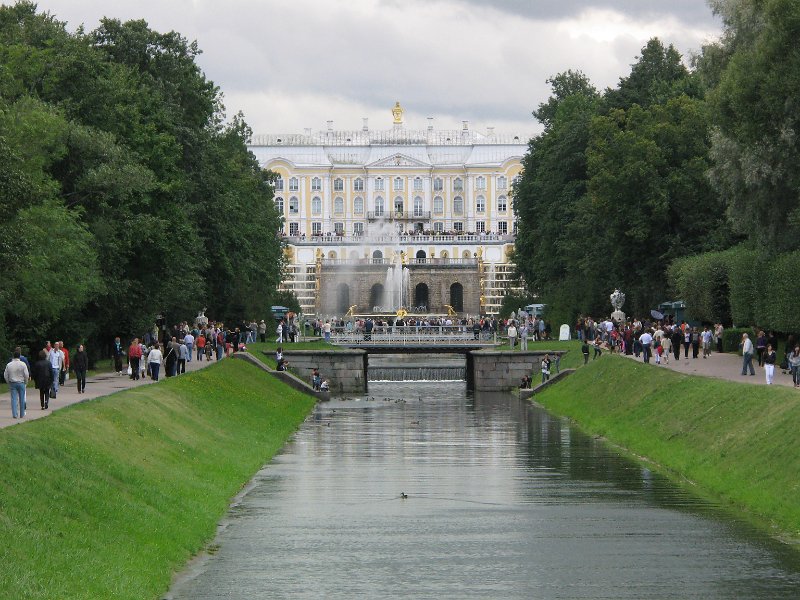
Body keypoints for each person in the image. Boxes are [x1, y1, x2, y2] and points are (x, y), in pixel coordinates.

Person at [4, 350, 29, 419]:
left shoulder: (9, 364)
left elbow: (5, 375)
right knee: (22, 398)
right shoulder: (23, 364)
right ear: (19, 356)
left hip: (12, 383)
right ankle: (22, 414)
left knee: (14, 399)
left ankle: (14, 414)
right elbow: (26, 375)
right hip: (21, 383)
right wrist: (25, 382)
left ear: (13, 356)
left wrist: (8, 382)